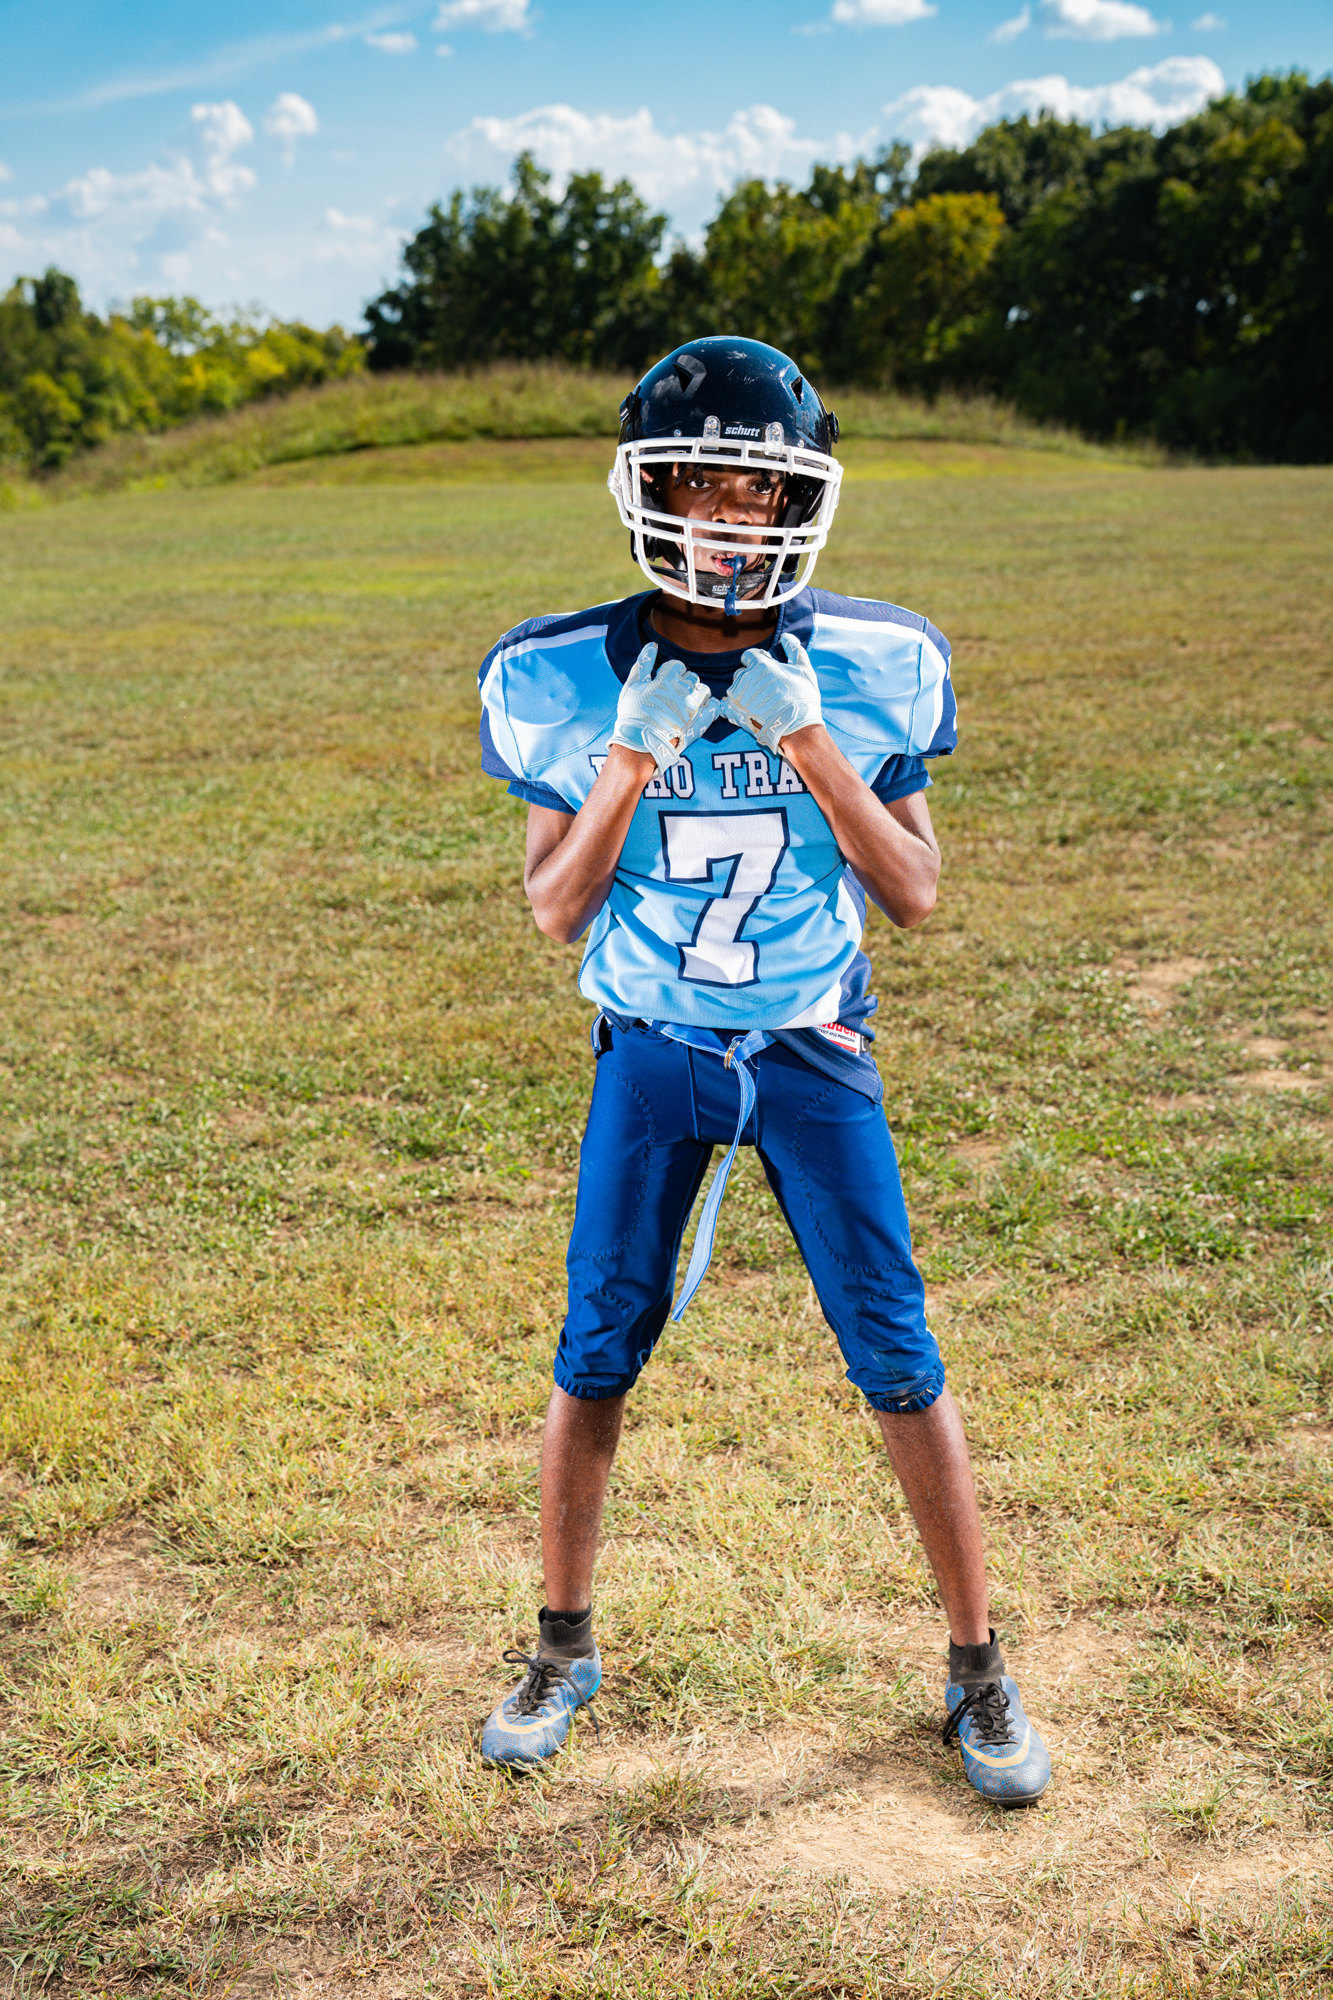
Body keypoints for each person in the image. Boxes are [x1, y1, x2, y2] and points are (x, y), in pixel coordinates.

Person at [474, 336, 1050, 1805]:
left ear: (798, 500)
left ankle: (978, 1669)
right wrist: (627, 758)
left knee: (897, 1355)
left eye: (756, 491)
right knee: (595, 1351)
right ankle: (560, 1648)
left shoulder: (875, 660)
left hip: (810, 1048)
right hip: (654, 1049)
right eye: (701, 488)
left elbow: (915, 892)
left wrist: (809, 743)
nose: (729, 519)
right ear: (650, 491)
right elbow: (553, 910)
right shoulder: (553, 672)